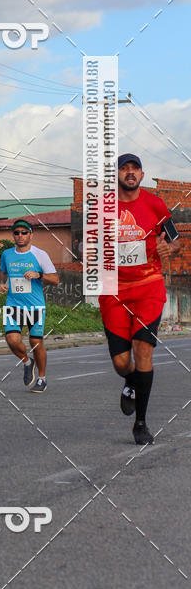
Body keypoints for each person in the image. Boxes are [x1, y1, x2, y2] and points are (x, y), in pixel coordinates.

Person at [99, 153, 180, 445]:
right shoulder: (102, 207)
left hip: (148, 286)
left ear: (142, 176)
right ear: (117, 175)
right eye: (124, 168)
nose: (129, 173)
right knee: (122, 362)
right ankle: (130, 381)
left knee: (142, 348)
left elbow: (175, 239)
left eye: (135, 169)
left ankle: (141, 424)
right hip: (114, 290)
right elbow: (89, 244)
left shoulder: (155, 204)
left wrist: (170, 249)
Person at [0, 219, 59, 393]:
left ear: (31, 235)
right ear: (13, 235)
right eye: (16, 233)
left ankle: (42, 378)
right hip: (14, 304)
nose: (20, 236)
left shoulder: (40, 254)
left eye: (24, 232)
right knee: (12, 339)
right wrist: (2, 283)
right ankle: (27, 361)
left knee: (35, 342)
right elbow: (2, 270)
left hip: (35, 307)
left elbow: (55, 279)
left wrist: (38, 274)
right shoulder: (7, 254)